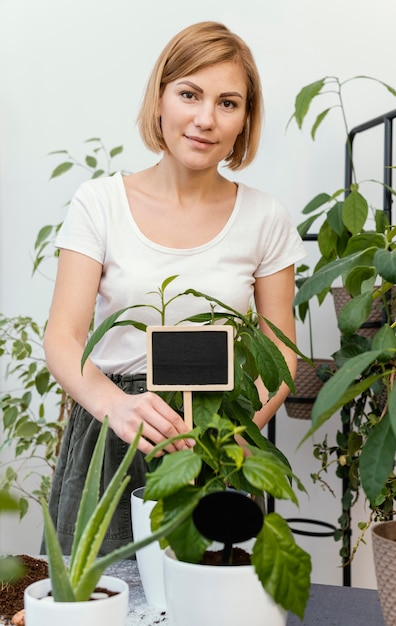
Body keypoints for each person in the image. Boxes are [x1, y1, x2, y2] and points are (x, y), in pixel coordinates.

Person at [43, 21, 306, 555]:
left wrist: (232, 433)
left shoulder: (266, 217)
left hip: (219, 434)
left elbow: (281, 350)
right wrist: (116, 407)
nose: (206, 119)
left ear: (244, 122)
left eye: (228, 103)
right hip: (114, 434)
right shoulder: (100, 203)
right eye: (190, 94)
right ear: (160, 100)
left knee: (213, 602)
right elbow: (64, 337)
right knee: (100, 597)